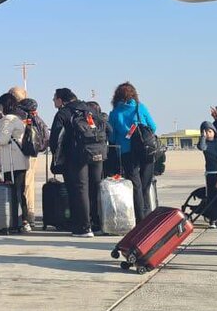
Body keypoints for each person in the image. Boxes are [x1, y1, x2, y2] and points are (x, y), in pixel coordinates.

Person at [49, 88, 104, 237]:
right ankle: (97, 224)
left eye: (54, 98)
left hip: (76, 156)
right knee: (95, 188)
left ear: (60, 100)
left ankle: (83, 228)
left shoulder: (63, 113)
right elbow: (107, 129)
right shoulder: (90, 109)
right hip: (97, 154)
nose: (53, 101)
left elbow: (55, 139)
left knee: (80, 190)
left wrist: (58, 156)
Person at [109, 82, 157, 222]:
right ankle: (148, 216)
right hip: (145, 149)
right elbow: (153, 127)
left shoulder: (115, 113)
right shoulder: (140, 107)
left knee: (136, 186)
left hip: (127, 152)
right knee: (146, 185)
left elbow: (112, 137)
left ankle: (140, 218)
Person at [0, 93, 33, 232]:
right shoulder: (17, 119)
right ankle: (24, 220)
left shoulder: (7, 119)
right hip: (20, 160)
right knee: (20, 191)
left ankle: (15, 220)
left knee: (13, 192)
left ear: (4, 105)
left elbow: (2, 140)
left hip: (12, 161)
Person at [17, 95, 49, 228]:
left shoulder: (25, 120)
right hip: (34, 154)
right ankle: (30, 215)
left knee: (26, 186)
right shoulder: (38, 119)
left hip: (27, 154)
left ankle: (28, 216)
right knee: (28, 185)